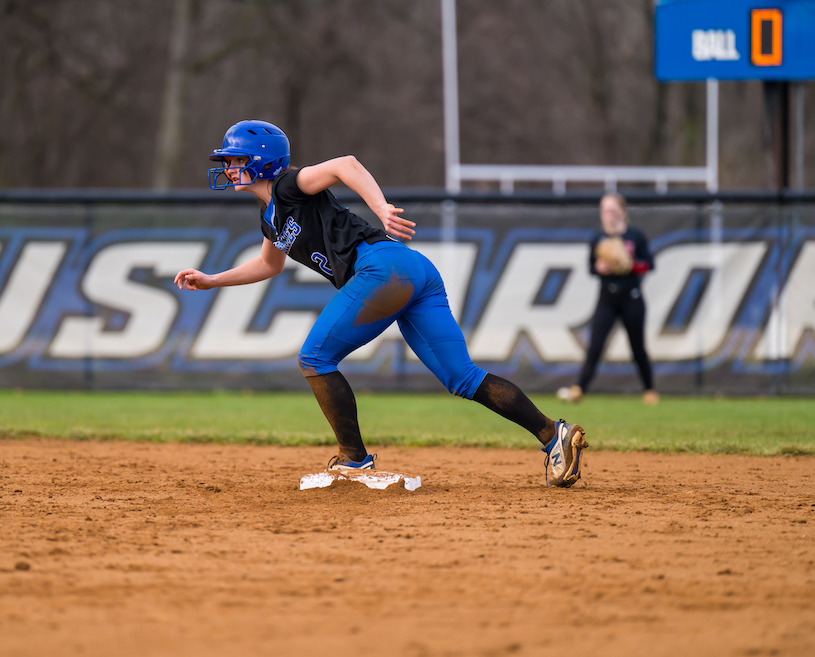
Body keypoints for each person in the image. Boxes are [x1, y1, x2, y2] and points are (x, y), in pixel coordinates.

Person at [175, 120, 588, 487]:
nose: (228, 167)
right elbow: (269, 265)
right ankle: (555, 435)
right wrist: (213, 280)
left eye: (235, 159)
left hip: (381, 267)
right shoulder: (270, 216)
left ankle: (354, 460)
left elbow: (345, 165)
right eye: (227, 160)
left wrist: (381, 208)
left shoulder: (288, 185)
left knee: (315, 357)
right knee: (462, 378)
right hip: (410, 270)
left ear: (263, 161)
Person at [559, 193, 658, 406]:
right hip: (607, 298)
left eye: (613, 210)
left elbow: (650, 264)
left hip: (632, 297)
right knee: (595, 346)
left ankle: (650, 390)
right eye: (605, 210)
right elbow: (591, 268)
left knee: (637, 348)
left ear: (623, 212)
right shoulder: (598, 239)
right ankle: (579, 389)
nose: (608, 215)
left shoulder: (634, 236)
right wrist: (599, 268)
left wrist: (631, 265)